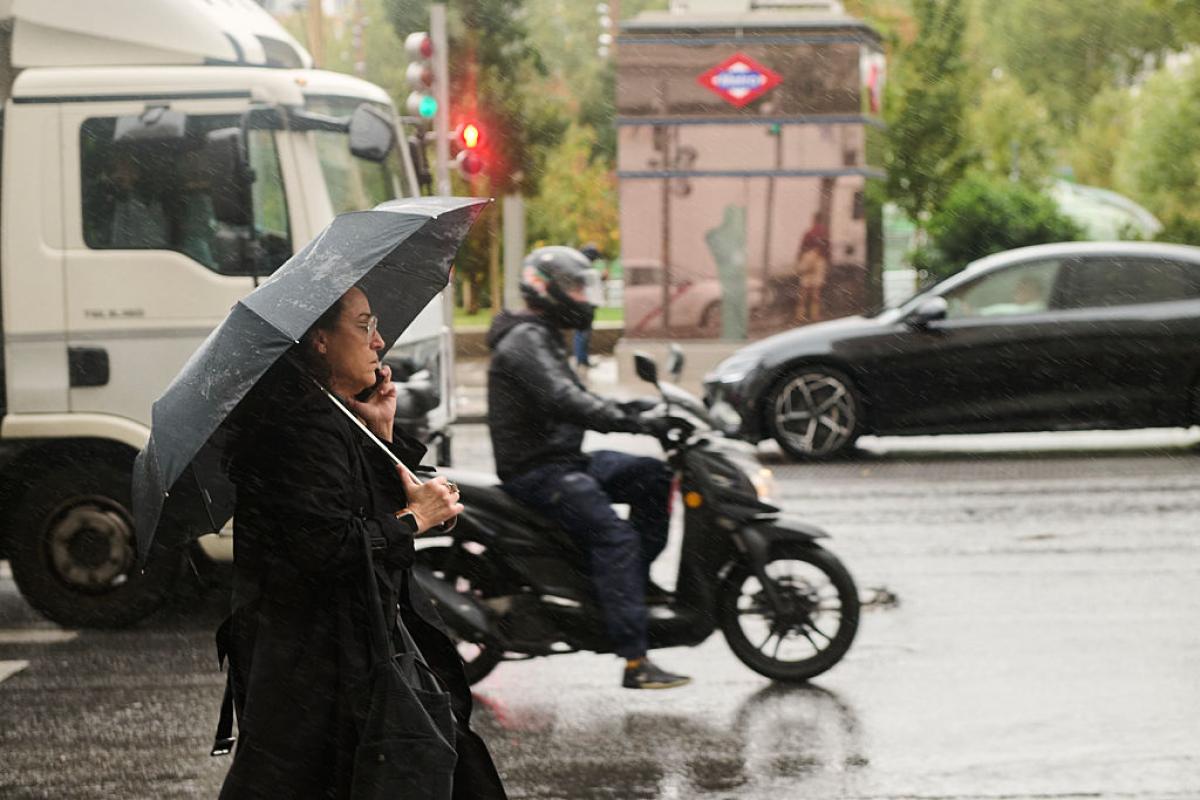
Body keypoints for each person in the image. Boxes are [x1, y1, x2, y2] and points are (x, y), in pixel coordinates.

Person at [217, 286, 507, 799]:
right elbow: (325, 547)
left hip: (333, 659)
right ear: (320, 340)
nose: (379, 342)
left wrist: (383, 434)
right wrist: (414, 517)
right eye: (363, 325)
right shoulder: (302, 427)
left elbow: (351, 512)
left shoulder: (325, 414)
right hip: (319, 668)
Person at [486, 245, 691, 690]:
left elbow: (576, 399)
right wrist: (635, 421)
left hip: (566, 459)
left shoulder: (542, 334)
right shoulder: (525, 341)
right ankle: (636, 660)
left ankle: (629, 586)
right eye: (578, 288)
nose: (587, 299)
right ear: (549, 290)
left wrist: (649, 409)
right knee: (613, 536)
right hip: (537, 471)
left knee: (654, 477)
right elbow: (566, 400)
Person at [794, 211, 830, 323]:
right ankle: (814, 316)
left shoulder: (808, 233)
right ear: (821, 220)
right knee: (816, 291)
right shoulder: (824, 232)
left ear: (813, 220)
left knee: (804, 290)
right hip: (819, 261)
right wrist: (828, 261)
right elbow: (827, 249)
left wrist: (799, 261)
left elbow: (801, 248)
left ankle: (800, 315)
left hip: (807, 260)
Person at [572, 243, 603, 369]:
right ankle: (581, 359)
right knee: (583, 333)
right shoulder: (583, 269)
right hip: (585, 305)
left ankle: (583, 359)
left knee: (584, 333)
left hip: (586, 305)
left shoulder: (582, 268)